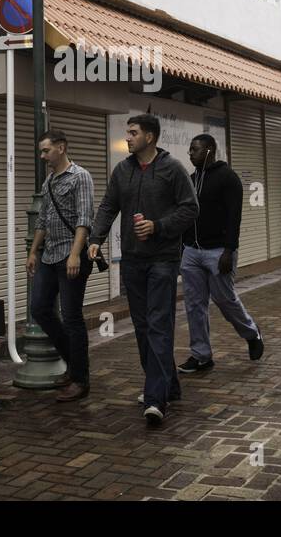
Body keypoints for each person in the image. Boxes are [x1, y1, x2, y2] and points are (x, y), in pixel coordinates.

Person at [88, 113, 198, 427]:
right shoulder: (122, 170)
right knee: (143, 326)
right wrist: (96, 239)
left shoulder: (173, 169)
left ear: (149, 137)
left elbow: (191, 209)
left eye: (133, 133)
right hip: (133, 261)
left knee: (159, 323)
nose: (128, 137)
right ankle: (168, 384)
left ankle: (154, 398)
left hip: (163, 259)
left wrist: (159, 226)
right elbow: (109, 206)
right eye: (128, 132)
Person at [177, 134, 263, 375]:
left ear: (209, 150)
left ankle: (252, 332)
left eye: (195, 149)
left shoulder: (228, 178)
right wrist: (182, 247)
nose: (190, 154)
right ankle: (201, 355)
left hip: (218, 251)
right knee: (194, 305)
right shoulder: (192, 180)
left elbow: (234, 216)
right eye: (190, 150)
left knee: (225, 299)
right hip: (192, 251)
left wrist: (229, 250)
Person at [26, 129, 96, 402]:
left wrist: (76, 254)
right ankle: (74, 364)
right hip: (49, 255)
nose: (42, 156)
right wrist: (33, 252)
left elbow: (84, 218)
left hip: (70, 255)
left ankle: (80, 378)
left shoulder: (81, 177)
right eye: (41, 151)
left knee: (71, 316)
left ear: (61, 148)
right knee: (40, 308)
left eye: (46, 150)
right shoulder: (49, 182)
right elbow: (42, 221)